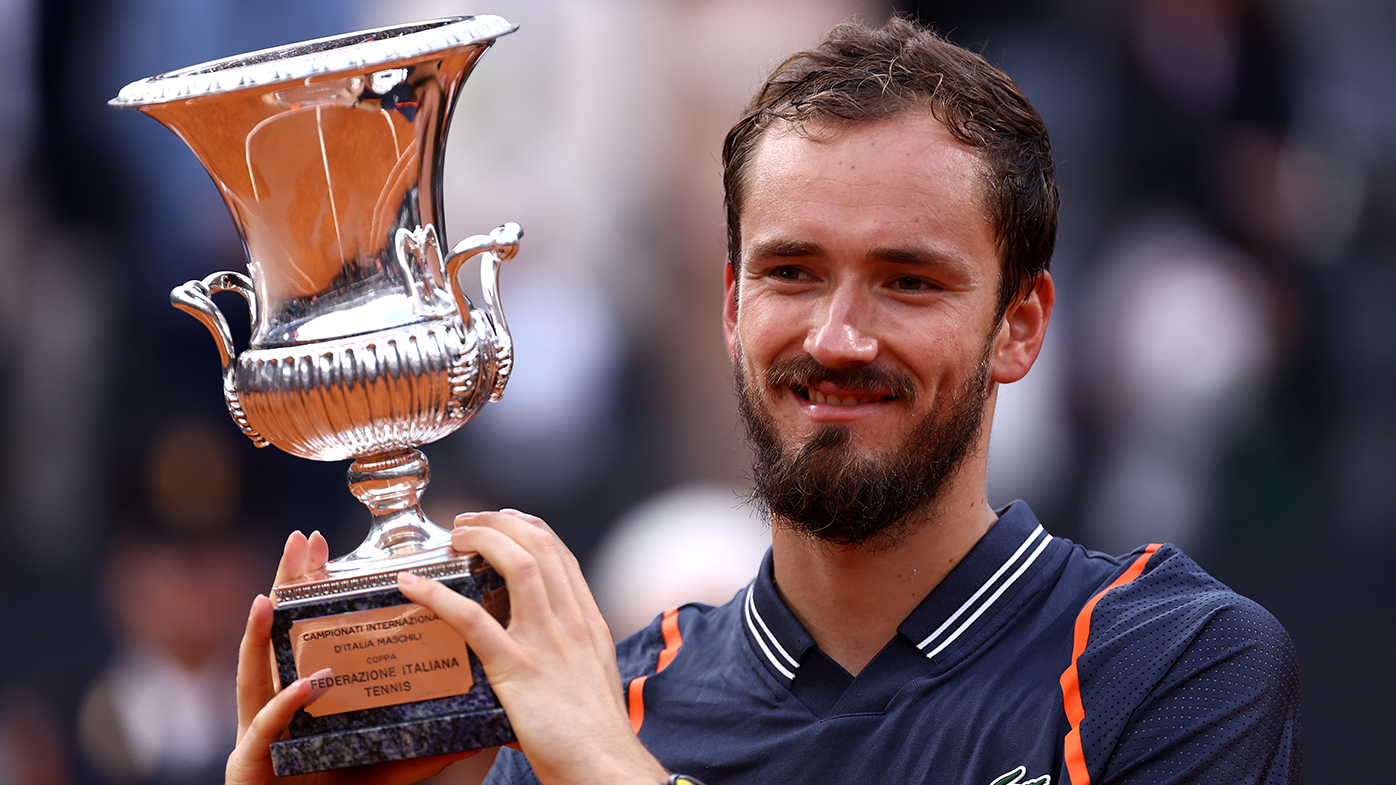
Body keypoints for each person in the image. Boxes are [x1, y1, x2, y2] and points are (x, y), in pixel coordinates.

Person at [227, 16, 1301, 785]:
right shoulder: (603, 705)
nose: (837, 336)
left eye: (908, 280)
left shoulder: (1168, 664)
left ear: (1019, 324)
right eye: (792, 272)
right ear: (731, 305)